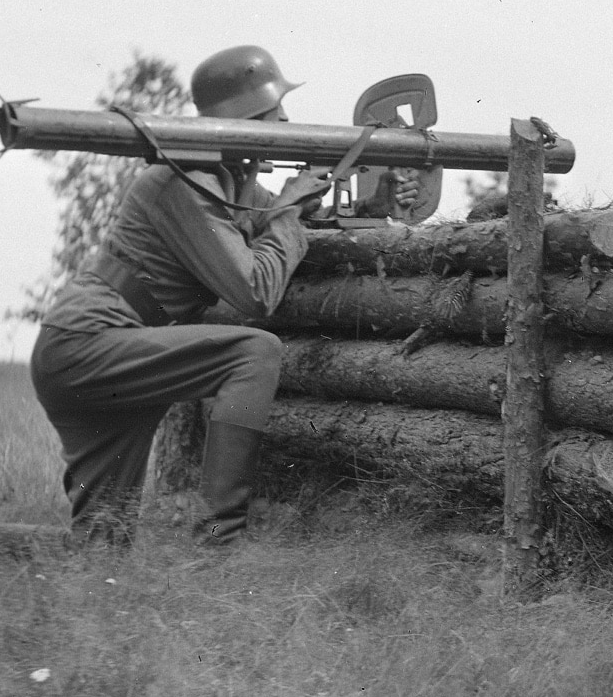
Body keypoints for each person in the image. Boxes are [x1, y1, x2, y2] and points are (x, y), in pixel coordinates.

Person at [29, 45, 417, 548]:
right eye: (278, 113)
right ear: (251, 118)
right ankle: (217, 544)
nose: (288, 122)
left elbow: (282, 222)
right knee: (256, 352)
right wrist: (287, 211)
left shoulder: (227, 184)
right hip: (87, 344)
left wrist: (371, 204)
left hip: (87, 351)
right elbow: (255, 290)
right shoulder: (181, 183)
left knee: (99, 549)